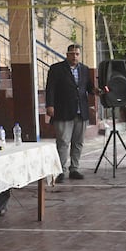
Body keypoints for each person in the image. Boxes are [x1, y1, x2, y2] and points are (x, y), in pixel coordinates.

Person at [45, 44, 95, 182]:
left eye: (77, 54)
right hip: (63, 110)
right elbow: (50, 88)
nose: (74, 56)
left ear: (80, 55)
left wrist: (97, 91)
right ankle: (60, 170)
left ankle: (75, 168)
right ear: (67, 55)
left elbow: (89, 87)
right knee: (63, 141)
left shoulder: (84, 69)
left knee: (78, 142)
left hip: (81, 111)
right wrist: (50, 105)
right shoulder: (56, 69)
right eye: (72, 54)